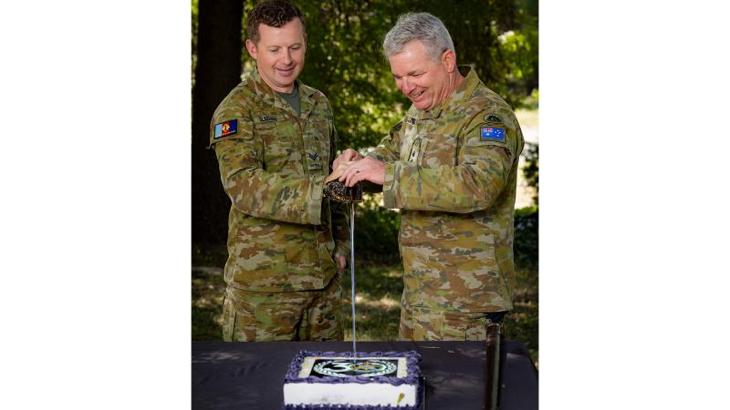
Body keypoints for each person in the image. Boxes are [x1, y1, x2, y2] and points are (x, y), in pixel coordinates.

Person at [332, 12, 525, 341]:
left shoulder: (487, 115)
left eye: (415, 74)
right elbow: (391, 151)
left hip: (466, 304)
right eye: (398, 76)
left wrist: (388, 175)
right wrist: (359, 164)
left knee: (457, 393)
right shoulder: (421, 109)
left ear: (448, 60)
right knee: (413, 390)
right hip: (420, 296)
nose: (406, 87)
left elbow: (478, 185)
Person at [208, 0, 349, 342]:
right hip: (265, 291)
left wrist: (343, 245)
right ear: (253, 49)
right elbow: (243, 186)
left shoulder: (319, 104)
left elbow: (335, 179)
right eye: (274, 49)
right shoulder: (237, 110)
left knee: (327, 389)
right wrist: (321, 189)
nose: (286, 60)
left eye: (294, 47)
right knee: (260, 390)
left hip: (323, 283)